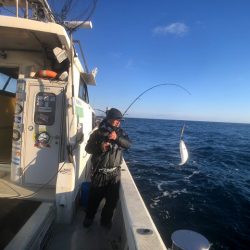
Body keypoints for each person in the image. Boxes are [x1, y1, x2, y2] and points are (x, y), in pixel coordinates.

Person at [83, 108, 131, 229]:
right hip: (100, 173)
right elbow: (88, 149)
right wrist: (101, 147)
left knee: (111, 202)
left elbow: (129, 144)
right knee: (94, 199)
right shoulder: (98, 133)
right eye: (116, 120)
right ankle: (89, 217)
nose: (118, 123)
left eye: (120, 120)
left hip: (115, 174)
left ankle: (105, 221)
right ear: (109, 119)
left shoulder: (121, 133)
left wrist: (117, 138)